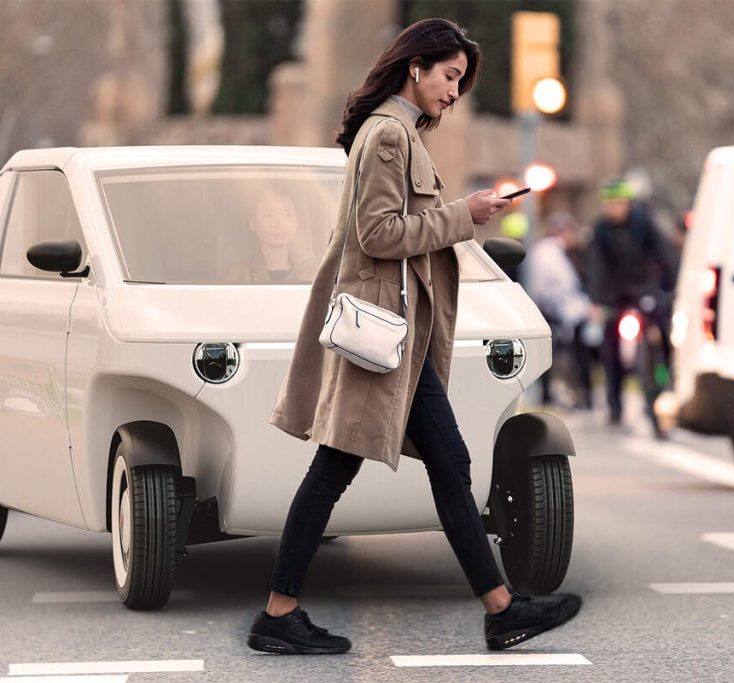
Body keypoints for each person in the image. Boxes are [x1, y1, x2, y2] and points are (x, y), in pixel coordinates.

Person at [250, 18, 583, 655]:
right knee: (335, 468)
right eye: (450, 76)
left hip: (397, 337)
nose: (454, 92)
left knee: (444, 465)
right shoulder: (388, 137)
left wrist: (464, 213)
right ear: (416, 67)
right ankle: (279, 613)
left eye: (460, 81)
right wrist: (466, 216)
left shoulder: (397, 134)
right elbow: (377, 235)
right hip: (381, 335)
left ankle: (500, 609)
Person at [586, 179, 678, 426]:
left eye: (618, 203)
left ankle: (662, 380)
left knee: (659, 331)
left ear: (628, 203)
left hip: (644, 288)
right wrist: (596, 300)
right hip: (614, 294)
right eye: (609, 204)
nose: (613, 208)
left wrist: (671, 288)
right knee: (611, 347)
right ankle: (614, 405)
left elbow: (665, 254)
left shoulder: (643, 223)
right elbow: (596, 266)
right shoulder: (601, 230)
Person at [527, 211, 593, 409]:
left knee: (553, 355)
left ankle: (554, 394)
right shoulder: (552, 252)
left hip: (553, 309)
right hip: (559, 311)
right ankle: (573, 394)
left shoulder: (544, 251)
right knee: (568, 356)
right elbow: (566, 284)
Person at [222, 187, 317, 283]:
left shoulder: (313, 274)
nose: (281, 224)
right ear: (253, 223)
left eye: (288, 214)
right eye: (270, 215)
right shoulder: (238, 275)